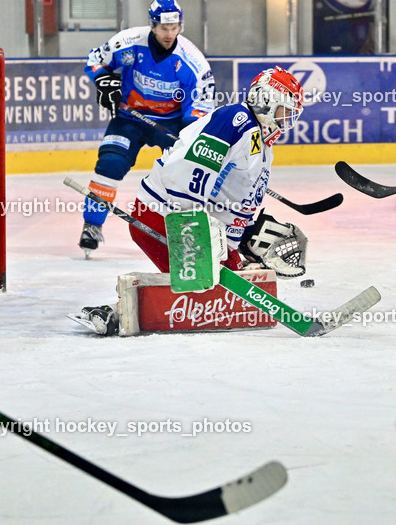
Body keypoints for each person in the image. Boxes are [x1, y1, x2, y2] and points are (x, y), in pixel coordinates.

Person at [79, 67, 309, 335]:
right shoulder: (237, 120)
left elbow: (231, 196)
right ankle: (118, 310)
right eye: (285, 109)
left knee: (233, 288)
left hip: (196, 225)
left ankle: (133, 304)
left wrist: (244, 237)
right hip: (164, 216)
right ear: (266, 100)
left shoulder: (262, 143)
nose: (288, 119)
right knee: (206, 290)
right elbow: (194, 169)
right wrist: (193, 228)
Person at [78, 0, 215, 256]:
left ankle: (193, 230)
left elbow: (202, 102)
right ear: (152, 25)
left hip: (172, 123)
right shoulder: (129, 42)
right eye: (164, 28)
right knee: (110, 163)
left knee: (189, 174)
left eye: (175, 28)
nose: (169, 34)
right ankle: (92, 225)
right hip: (130, 118)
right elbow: (96, 60)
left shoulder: (192, 60)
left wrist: (189, 133)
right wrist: (103, 79)